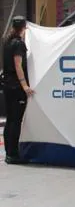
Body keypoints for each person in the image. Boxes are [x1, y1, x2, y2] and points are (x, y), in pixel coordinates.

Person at [2, 16, 34, 164]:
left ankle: (9, 152)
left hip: (8, 85)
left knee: (10, 120)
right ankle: (13, 154)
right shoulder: (19, 44)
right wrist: (25, 85)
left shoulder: (7, 42)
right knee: (16, 120)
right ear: (24, 28)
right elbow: (18, 65)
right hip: (16, 87)